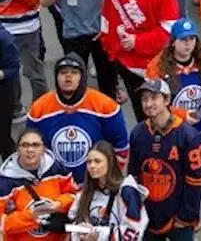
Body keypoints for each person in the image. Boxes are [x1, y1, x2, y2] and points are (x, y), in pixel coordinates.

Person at [100, 0, 179, 121]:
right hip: (127, 65)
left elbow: (169, 32)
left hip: (157, 67)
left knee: (163, 116)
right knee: (141, 116)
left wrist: (137, 41)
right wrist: (113, 53)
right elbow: (106, 23)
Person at [26, 53, 129, 181]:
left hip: (95, 184)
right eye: (63, 72)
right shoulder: (39, 109)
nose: (68, 76)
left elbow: (121, 149)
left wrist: (106, 179)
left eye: (74, 72)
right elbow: (30, 150)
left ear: (82, 77)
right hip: (55, 186)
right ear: (56, 77)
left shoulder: (106, 107)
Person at [127, 77, 201, 241]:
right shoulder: (137, 133)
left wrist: (185, 217)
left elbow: (196, 182)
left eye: (154, 97)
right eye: (144, 99)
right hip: (147, 217)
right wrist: (135, 209)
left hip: (179, 221)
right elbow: (133, 175)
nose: (148, 104)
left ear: (167, 100)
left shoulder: (189, 137)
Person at [0, 128, 78, 238]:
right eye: (25, 145)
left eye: (36, 145)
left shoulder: (57, 169)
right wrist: (31, 216)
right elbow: (2, 223)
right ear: (17, 149)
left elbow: (74, 196)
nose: (30, 149)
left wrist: (58, 205)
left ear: (44, 149)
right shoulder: (5, 181)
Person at [67, 141, 149, 241]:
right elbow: (73, 223)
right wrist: (82, 232)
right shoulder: (84, 193)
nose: (92, 166)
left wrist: (99, 235)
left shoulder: (127, 190)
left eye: (97, 161)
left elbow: (133, 231)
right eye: (89, 162)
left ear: (110, 162)